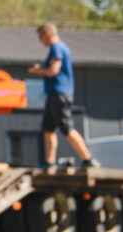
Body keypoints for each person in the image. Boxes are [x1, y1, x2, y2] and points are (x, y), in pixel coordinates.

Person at [29, 22, 99, 170]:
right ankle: (49, 162)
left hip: (59, 94)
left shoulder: (57, 48)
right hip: (54, 94)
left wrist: (38, 70)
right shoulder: (59, 48)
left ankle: (88, 159)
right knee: (48, 129)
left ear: (47, 34)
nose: (41, 41)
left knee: (67, 128)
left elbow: (54, 70)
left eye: (41, 37)